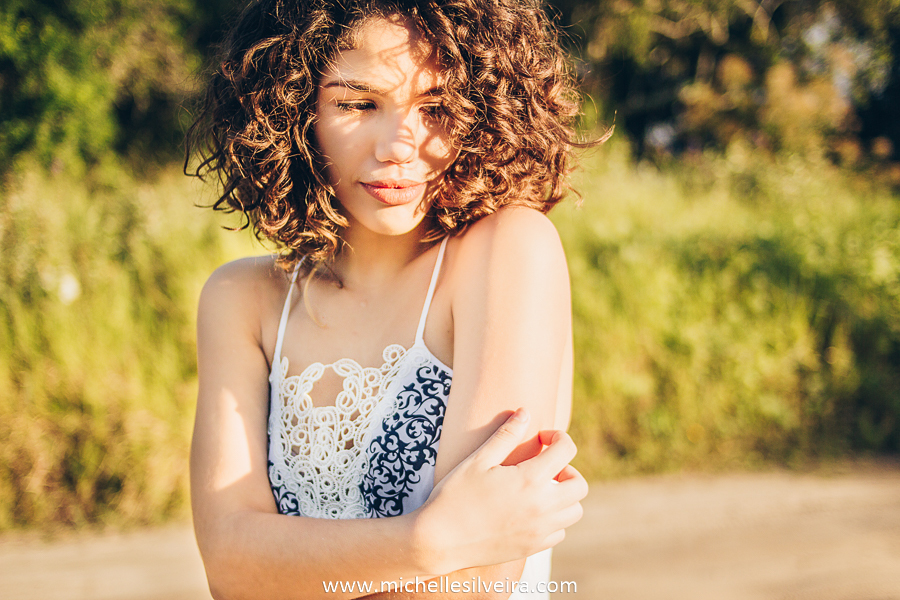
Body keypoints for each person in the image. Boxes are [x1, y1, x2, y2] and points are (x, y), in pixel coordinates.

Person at [186, 0, 592, 598]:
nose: (399, 145)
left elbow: (479, 581)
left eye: (437, 108)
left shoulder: (509, 251)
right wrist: (429, 541)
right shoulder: (242, 300)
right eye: (358, 104)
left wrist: (283, 567)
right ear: (295, 110)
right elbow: (228, 568)